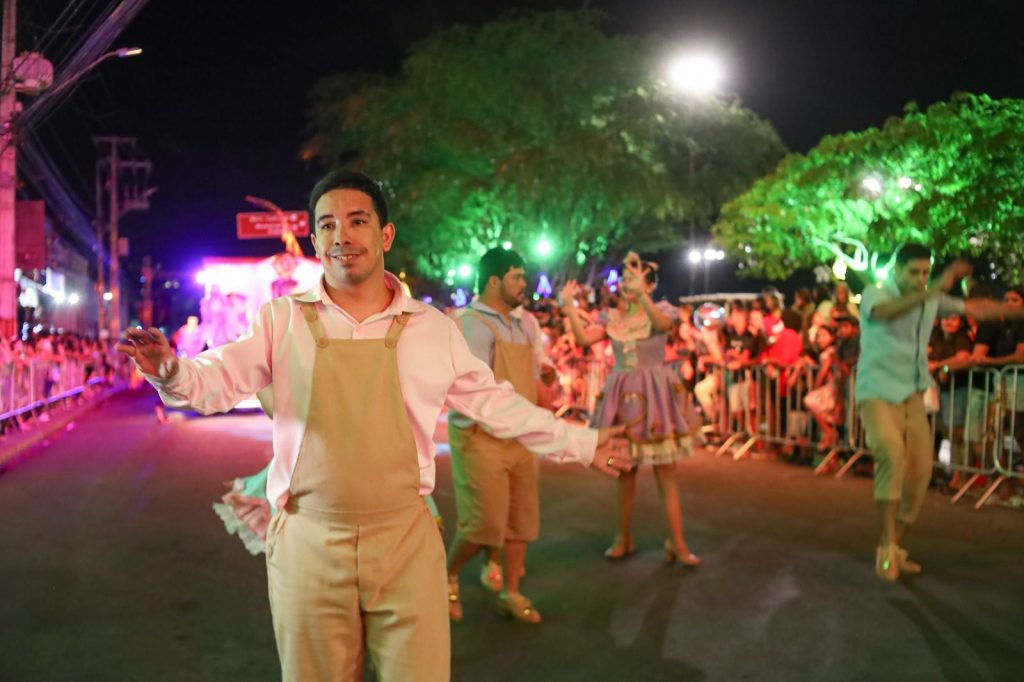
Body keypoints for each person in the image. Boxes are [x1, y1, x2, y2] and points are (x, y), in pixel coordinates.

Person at [117, 170, 629, 682]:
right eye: (328, 225)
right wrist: (170, 371)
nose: (342, 235)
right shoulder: (281, 320)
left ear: (385, 235)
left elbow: (497, 405)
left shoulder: (432, 330)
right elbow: (216, 380)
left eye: (357, 221)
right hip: (309, 543)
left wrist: (582, 442)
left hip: (405, 542)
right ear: (315, 241)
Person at [855, 243, 1022, 582]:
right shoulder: (877, 293)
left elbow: (976, 309)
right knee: (892, 452)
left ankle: (891, 546)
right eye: (913, 272)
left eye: (925, 272)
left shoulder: (929, 297)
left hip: (913, 393)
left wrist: (1014, 310)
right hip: (876, 392)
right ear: (896, 270)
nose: (920, 279)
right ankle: (887, 547)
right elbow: (885, 313)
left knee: (921, 472)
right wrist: (935, 288)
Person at [560, 252, 702, 566]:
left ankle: (677, 542)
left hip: (656, 396)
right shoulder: (612, 317)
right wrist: (569, 305)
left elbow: (662, 325)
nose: (627, 284)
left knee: (666, 472)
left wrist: (642, 296)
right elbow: (584, 340)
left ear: (649, 285)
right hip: (622, 396)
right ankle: (622, 537)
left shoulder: (661, 310)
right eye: (625, 279)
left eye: (634, 280)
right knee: (625, 470)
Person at [445, 246, 556, 624]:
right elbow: (474, 391)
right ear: (494, 281)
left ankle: (512, 591)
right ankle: (448, 574)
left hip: (521, 436)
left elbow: (532, 377)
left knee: (521, 520)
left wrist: (543, 406)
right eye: (517, 277)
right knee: (484, 524)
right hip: (481, 437)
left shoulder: (524, 324)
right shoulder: (471, 324)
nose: (525, 283)